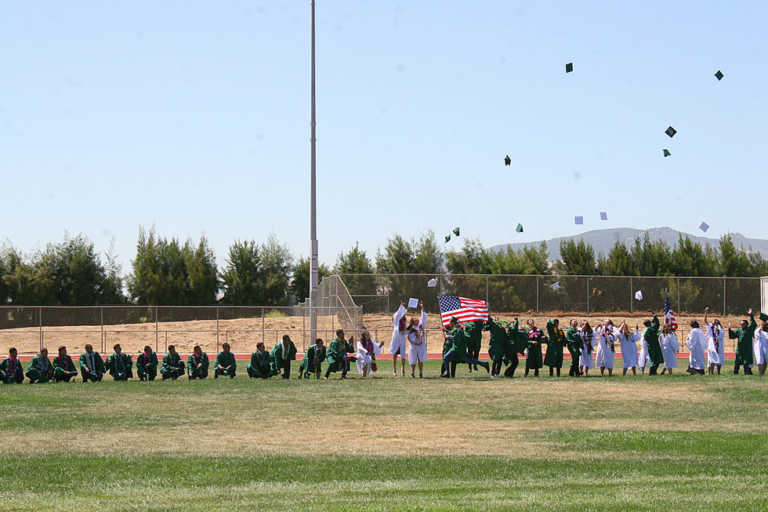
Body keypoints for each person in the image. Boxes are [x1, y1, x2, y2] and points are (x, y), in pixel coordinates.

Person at [729, 309, 757, 375]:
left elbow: (753, 323)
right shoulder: (739, 330)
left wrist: (751, 315)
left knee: (746, 362)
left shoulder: (749, 329)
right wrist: (729, 330)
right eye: (741, 324)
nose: (741, 325)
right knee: (737, 361)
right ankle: (735, 373)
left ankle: (747, 372)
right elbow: (733, 335)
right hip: (740, 349)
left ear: (746, 324)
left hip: (747, 349)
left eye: (743, 324)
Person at [406, 303, 428, 378]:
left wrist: (422, 307)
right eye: (415, 319)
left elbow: (423, 316)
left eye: (417, 318)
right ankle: (412, 372)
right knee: (413, 359)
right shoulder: (410, 328)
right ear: (412, 321)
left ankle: (421, 372)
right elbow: (407, 336)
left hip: (421, 345)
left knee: (420, 359)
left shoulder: (421, 325)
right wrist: (413, 340)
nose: (417, 319)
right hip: (413, 345)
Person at [389, 302, 409, 376]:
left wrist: (409, 328)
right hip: (396, 339)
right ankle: (394, 370)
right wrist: (401, 306)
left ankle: (403, 369)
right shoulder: (396, 320)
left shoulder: (405, 322)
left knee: (403, 355)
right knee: (395, 354)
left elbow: (408, 329)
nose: (403, 314)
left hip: (402, 339)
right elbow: (397, 314)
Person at [704, 307, 725, 375]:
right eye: (714, 322)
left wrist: (718, 331)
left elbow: (721, 336)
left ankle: (718, 372)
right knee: (711, 359)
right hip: (712, 345)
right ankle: (710, 373)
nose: (714, 322)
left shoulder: (721, 329)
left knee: (719, 359)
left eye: (716, 322)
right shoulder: (710, 328)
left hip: (719, 346)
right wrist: (706, 312)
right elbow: (705, 321)